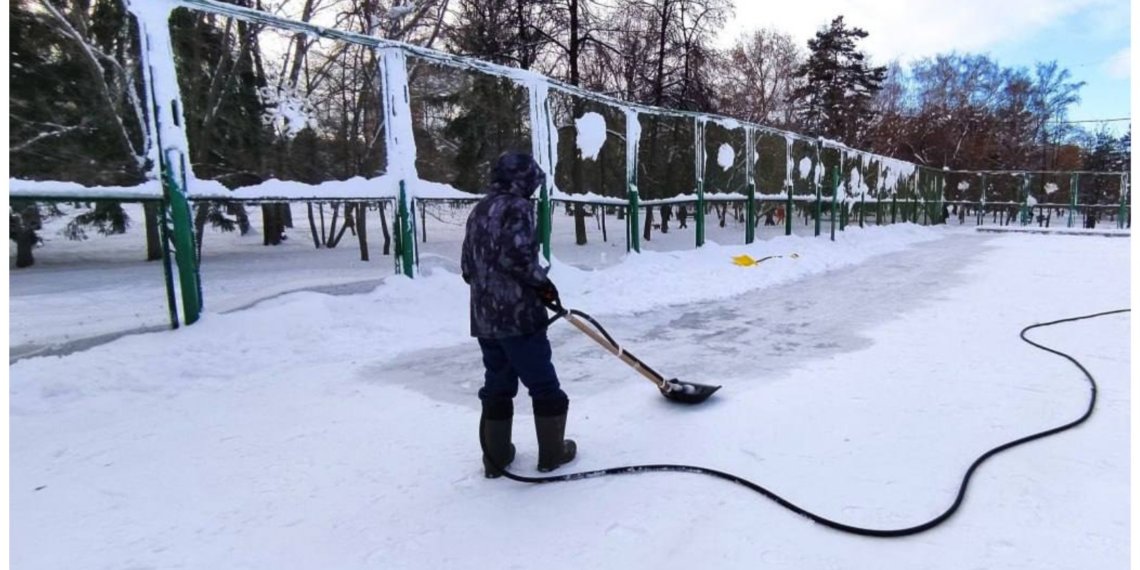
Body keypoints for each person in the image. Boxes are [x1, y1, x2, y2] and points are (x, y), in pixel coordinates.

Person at [461, 152, 577, 478]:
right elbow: (519, 258)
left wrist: (489, 292)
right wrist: (543, 285)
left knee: (497, 384)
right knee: (543, 383)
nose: (533, 190)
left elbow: (467, 267)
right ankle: (552, 453)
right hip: (519, 316)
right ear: (522, 178)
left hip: (484, 318)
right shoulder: (518, 208)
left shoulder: (479, 210)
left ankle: (495, 458)